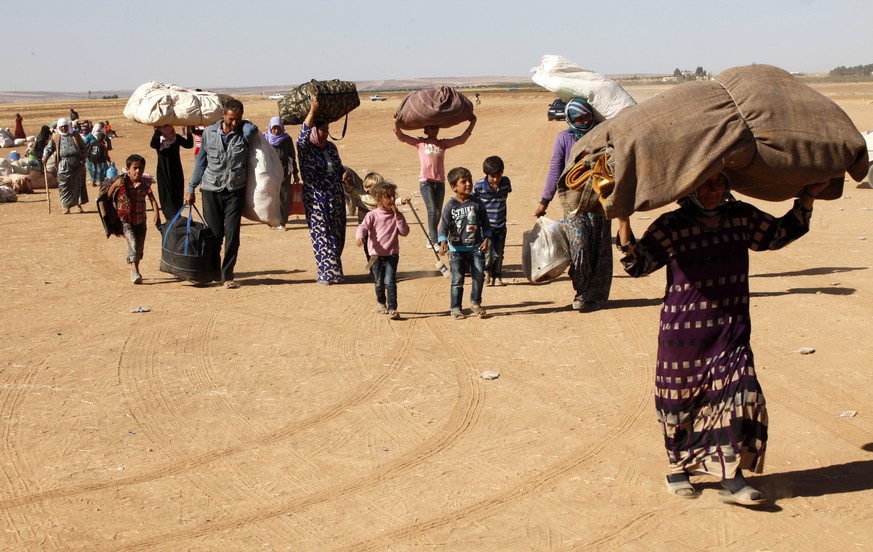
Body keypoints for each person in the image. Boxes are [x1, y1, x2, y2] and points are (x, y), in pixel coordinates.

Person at [616, 173, 827, 506]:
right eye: (705, 185)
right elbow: (638, 263)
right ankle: (678, 468)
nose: (713, 192)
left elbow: (775, 235)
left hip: (731, 329)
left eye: (718, 184)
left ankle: (732, 475)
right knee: (680, 403)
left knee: (740, 394)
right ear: (690, 188)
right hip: (684, 333)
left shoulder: (741, 216)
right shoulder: (671, 224)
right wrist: (622, 219)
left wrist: (807, 199)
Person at [535, 98, 612, 312]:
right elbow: (555, 170)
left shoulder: (602, 134)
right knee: (579, 247)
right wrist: (544, 201)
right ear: (570, 119)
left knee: (599, 249)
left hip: (600, 201)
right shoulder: (564, 139)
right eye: (580, 117)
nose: (585, 120)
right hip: (573, 203)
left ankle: (595, 295)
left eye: (588, 115)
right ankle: (581, 291)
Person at [185, 98, 258, 289]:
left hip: (234, 190)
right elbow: (201, 163)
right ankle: (213, 270)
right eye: (231, 119)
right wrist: (191, 188)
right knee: (215, 234)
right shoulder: (209, 133)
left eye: (238, 120)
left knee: (233, 234)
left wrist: (244, 124)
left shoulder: (244, 132)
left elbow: (253, 129)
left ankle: (228, 275)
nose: (234, 123)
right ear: (223, 115)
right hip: (211, 190)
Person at [394, 114, 476, 249]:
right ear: (426, 129)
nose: (434, 130)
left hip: (439, 182)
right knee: (432, 211)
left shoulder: (442, 144)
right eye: (431, 128)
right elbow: (401, 136)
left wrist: (472, 122)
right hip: (426, 182)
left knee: (438, 212)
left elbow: (461, 139)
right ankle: (433, 240)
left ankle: (431, 237)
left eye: (435, 128)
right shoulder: (420, 143)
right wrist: (395, 122)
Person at [297, 95, 347, 285]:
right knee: (323, 235)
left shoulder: (331, 148)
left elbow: (339, 167)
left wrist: (345, 175)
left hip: (336, 198)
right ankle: (327, 274)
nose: (326, 134)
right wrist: (312, 111)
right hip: (316, 199)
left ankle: (334, 269)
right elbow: (302, 137)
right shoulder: (306, 148)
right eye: (322, 131)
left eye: (327, 130)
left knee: (338, 233)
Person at [438, 167, 491, 319]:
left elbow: (486, 224)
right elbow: (443, 227)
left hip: (476, 248)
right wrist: (442, 242)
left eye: (470, 180)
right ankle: (455, 308)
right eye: (464, 182)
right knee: (457, 280)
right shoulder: (450, 206)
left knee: (478, 276)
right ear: (453, 187)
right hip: (456, 250)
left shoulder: (477, 203)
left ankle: (475, 303)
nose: (468, 184)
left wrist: (486, 239)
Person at [355, 180, 410, 319]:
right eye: (388, 197)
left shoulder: (397, 215)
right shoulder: (372, 215)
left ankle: (393, 308)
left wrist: (398, 218)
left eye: (393, 196)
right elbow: (362, 227)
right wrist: (360, 236)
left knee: (390, 281)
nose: (392, 199)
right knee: (379, 281)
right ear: (379, 199)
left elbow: (404, 232)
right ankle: (381, 303)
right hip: (375, 255)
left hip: (392, 254)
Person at [106, 154, 161, 284]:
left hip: (141, 220)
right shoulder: (122, 182)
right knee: (133, 243)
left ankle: (135, 267)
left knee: (139, 247)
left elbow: (152, 199)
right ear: (128, 169)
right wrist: (114, 186)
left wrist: (156, 214)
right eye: (135, 168)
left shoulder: (144, 184)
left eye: (141, 168)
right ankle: (134, 270)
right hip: (127, 221)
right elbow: (107, 196)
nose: (138, 171)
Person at [473, 155, 512, 286]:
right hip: (486, 227)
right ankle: (487, 274)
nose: (496, 179)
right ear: (486, 174)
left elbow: (507, 193)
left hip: (501, 224)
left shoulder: (506, 183)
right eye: (492, 176)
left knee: (499, 253)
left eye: (499, 175)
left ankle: (497, 275)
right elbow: (473, 202)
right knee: (487, 252)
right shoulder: (479, 186)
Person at [43, 118, 87, 214]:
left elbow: (83, 147)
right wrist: (45, 156)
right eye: (61, 127)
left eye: (65, 126)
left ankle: (79, 206)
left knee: (78, 185)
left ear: (68, 126)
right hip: (64, 164)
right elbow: (49, 148)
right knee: (64, 186)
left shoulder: (75, 135)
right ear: (59, 127)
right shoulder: (56, 137)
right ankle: (66, 207)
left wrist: (84, 157)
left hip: (76, 163)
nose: (64, 128)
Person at [264, 116, 300, 230]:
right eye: (274, 128)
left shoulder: (286, 139)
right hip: (270, 172)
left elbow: (292, 157)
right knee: (272, 197)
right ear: (270, 127)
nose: (276, 131)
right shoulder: (265, 138)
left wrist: (295, 173)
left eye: (278, 128)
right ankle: (272, 221)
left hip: (284, 172)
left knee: (284, 196)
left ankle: (282, 222)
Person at [150, 124, 193, 220]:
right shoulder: (159, 138)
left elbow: (189, 145)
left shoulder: (176, 137)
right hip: (163, 171)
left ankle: (176, 218)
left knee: (177, 194)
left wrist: (189, 131)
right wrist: (157, 131)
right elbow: (153, 144)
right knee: (166, 196)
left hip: (176, 170)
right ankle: (170, 219)